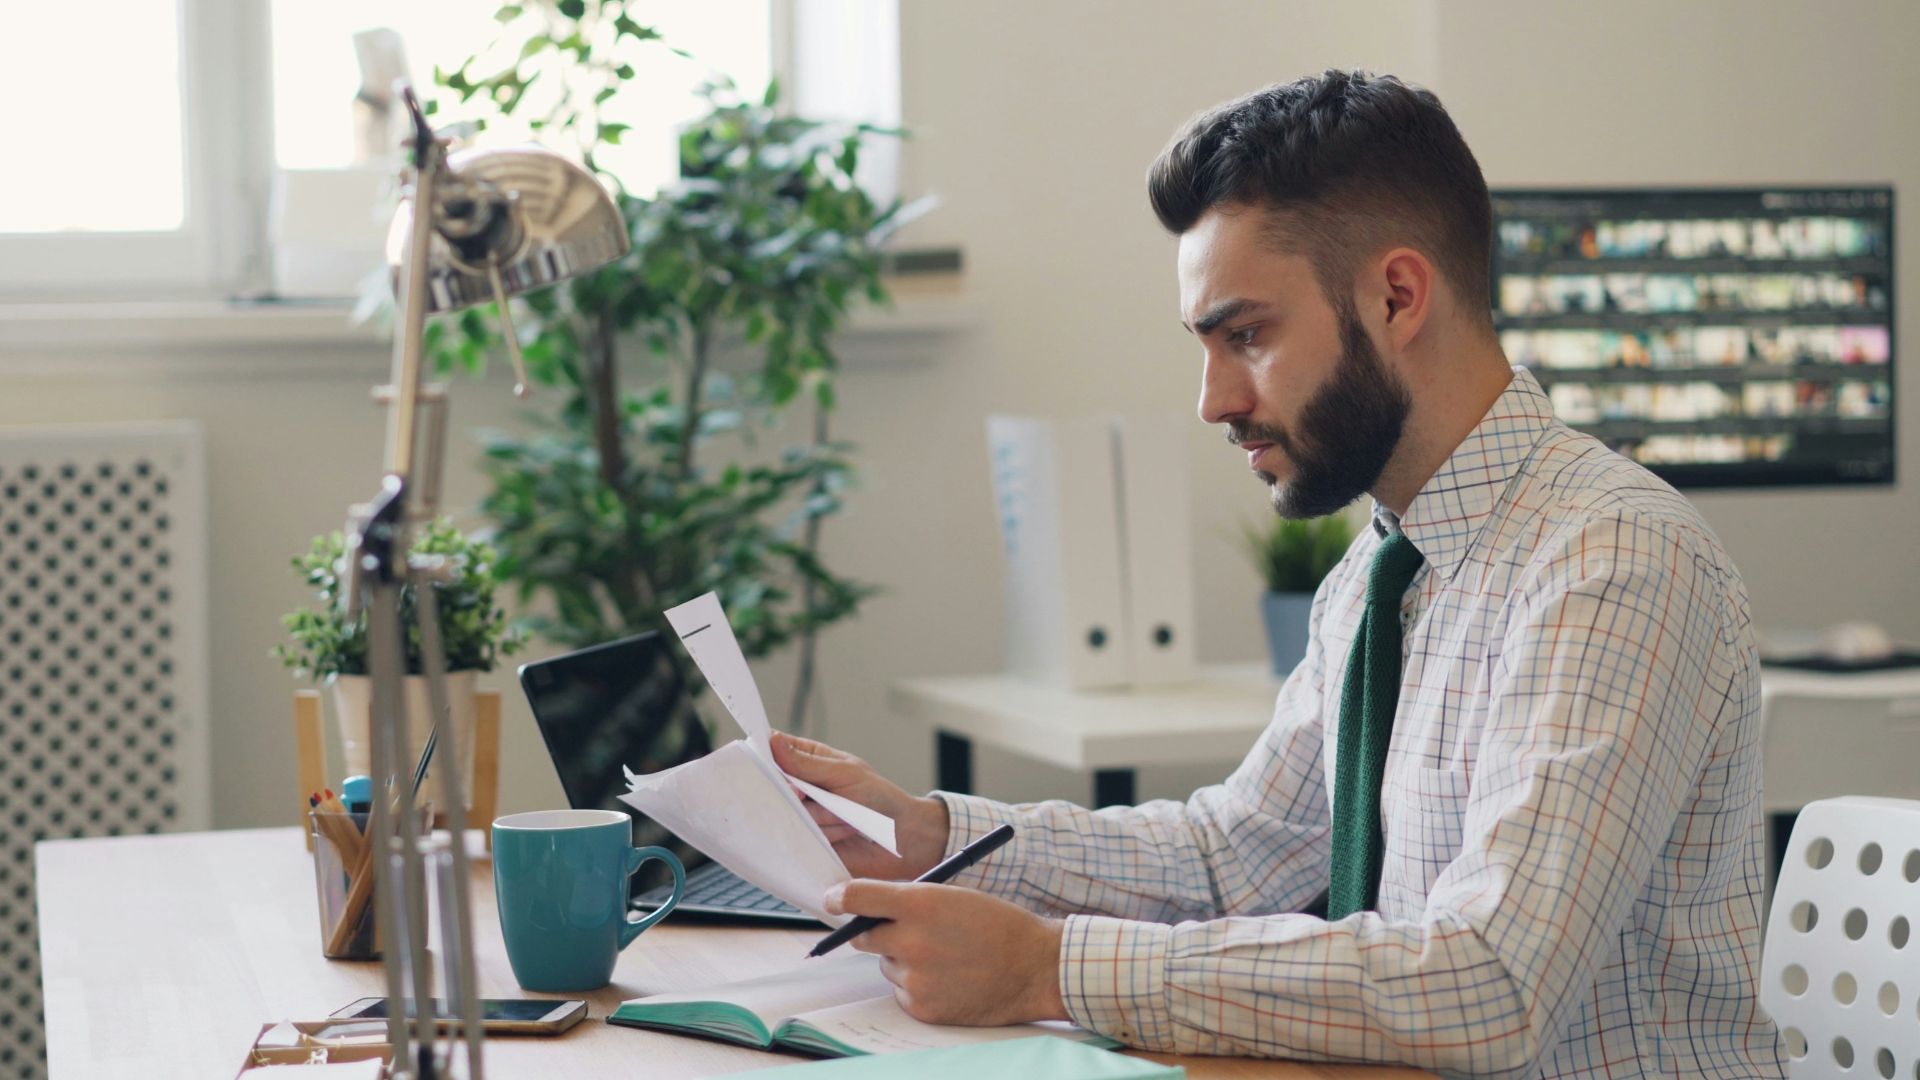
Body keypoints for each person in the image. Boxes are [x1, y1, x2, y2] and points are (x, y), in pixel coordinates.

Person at [771, 69, 1787, 1078]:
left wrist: (1052, 970)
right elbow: (1237, 854)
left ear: (1397, 296)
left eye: (1246, 335)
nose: (1214, 401)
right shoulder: (1384, 570)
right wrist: (927, 832)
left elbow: (1493, 984)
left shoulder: (1612, 560)